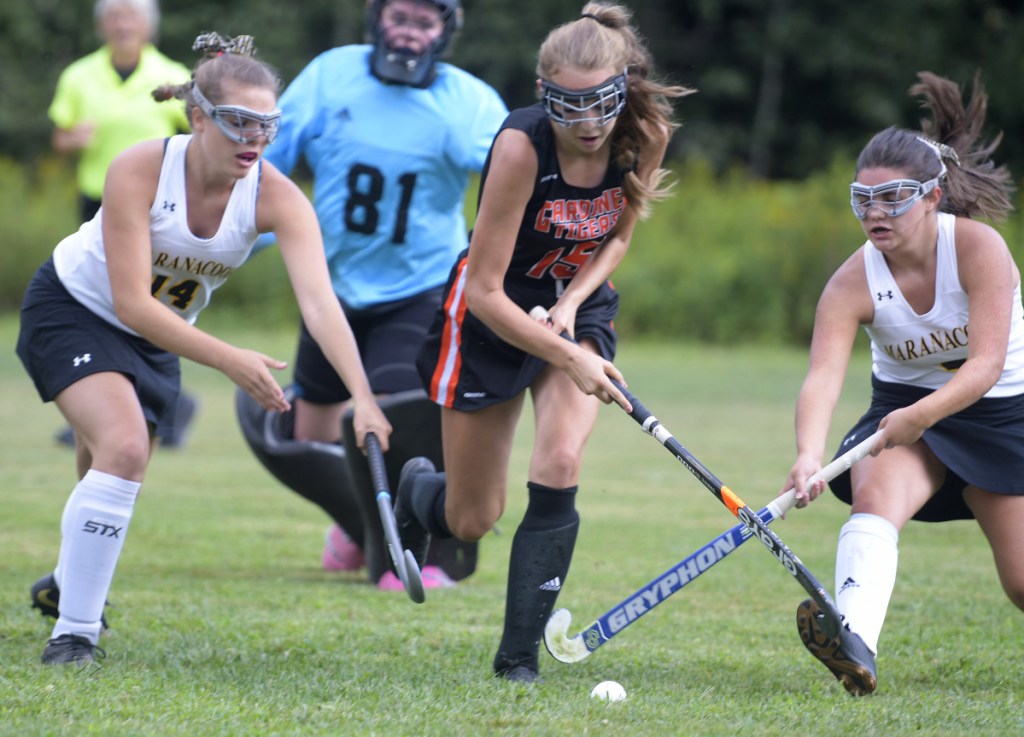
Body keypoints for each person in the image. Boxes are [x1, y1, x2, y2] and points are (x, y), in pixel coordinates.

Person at [18, 32, 392, 666]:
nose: (254, 138)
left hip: (160, 335)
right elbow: (132, 302)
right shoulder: (139, 166)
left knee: (104, 463)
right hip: (75, 310)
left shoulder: (276, 197)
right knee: (125, 447)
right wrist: (230, 360)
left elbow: (321, 306)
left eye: (267, 125)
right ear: (199, 116)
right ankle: (75, 633)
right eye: (239, 122)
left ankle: (67, 585)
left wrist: (365, 399)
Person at [395, 2, 693, 682]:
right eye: (568, 106)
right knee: (472, 519)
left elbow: (617, 238)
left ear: (623, 87)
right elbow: (486, 290)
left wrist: (573, 308)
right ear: (542, 94)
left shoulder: (644, 132)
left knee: (559, 459)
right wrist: (565, 352)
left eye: (601, 105)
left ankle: (517, 659)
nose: (588, 125)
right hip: (492, 318)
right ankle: (420, 494)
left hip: (574, 307)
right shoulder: (520, 147)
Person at [237, 0, 508, 589]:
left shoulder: (470, 102)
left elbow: (511, 180)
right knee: (307, 437)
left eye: (424, 21)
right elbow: (263, 170)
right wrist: (217, 242)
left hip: (420, 287)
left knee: (399, 417)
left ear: (446, 31)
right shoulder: (332, 73)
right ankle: (360, 523)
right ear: (375, 18)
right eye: (399, 16)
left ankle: (410, 551)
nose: (409, 32)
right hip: (331, 289)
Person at [782, 71, 1023, 696]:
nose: (875, 213)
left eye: (893, 198)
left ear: (933, 196)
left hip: (1001, 411)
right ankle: (855, 643)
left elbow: (986, 366)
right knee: (874, 497)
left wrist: (925, 415)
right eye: (863, 200)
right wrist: (809, 452)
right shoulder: (850, 282)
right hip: (902, 410)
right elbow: (822, 377)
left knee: (1021, 582)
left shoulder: (980, 250)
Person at [48, 0, 199, 449]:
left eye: (131, 15)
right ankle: (96, 402)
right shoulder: (78, 75)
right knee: (93, 301)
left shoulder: (170, 74)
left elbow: (198, 135)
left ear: (148, 25)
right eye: (114, 16)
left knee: (150, 304)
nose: (122, 23)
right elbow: (60, 134)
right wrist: (71, 140)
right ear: (101, 25)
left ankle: (164, 401)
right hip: (96, 204)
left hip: (156, 208)